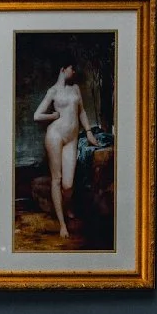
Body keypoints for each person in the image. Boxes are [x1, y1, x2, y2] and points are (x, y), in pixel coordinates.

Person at [33, 62, 101, 238]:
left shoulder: (75, 88)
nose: (74, 71)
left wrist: (88, 132)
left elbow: (82, 112)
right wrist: (53, 116)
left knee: (68, 185)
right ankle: (63, 224)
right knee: (57, 179)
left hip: (72, 138)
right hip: (55, 136)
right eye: (71, 68)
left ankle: (65, 206)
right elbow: (37, 115)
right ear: (62, 69)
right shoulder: (53, 92)